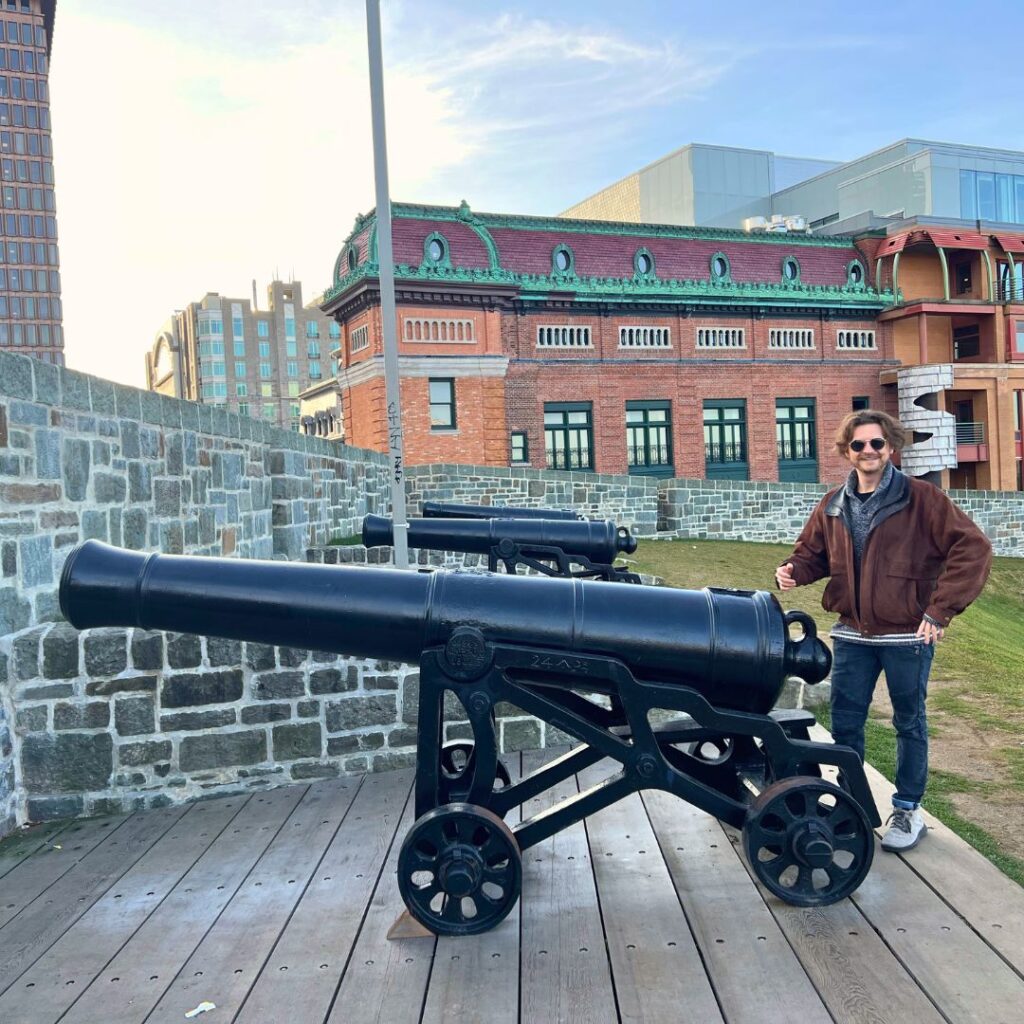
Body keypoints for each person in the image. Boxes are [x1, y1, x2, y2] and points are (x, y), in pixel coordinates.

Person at [775, 409, 992, 852]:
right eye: (859, 445)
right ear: (848, 451)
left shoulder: (923, 499)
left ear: (891, 447)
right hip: (852, 635)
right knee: (846, 725)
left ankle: (908, 811)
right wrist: (794, 570)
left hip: (907, 637)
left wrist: (939, 610)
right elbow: (812, 554)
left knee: (909, 723)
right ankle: (852, 805)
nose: (868, 451)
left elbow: (973, 547)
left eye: (876, 443)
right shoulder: (834, 502)